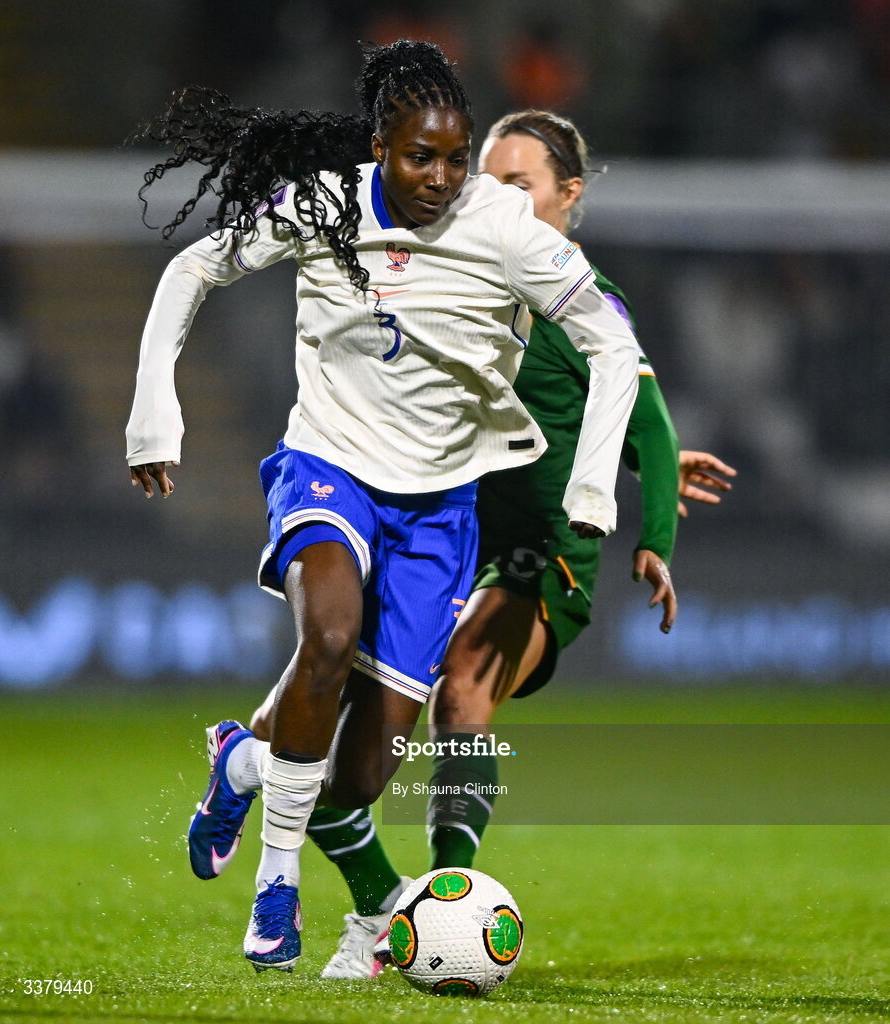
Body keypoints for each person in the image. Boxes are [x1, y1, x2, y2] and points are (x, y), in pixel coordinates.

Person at [183, 106, 736, 981]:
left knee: (464, 689)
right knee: (335, 751)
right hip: (436, 530)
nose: (488, 192)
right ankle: (273, 794)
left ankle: (448, 894)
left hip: (534, 555)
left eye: (518, 182)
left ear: (567, 196)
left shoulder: (578, 299)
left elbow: (650, 425)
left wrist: (652, 528)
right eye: (488, 176)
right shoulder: (445, 268)